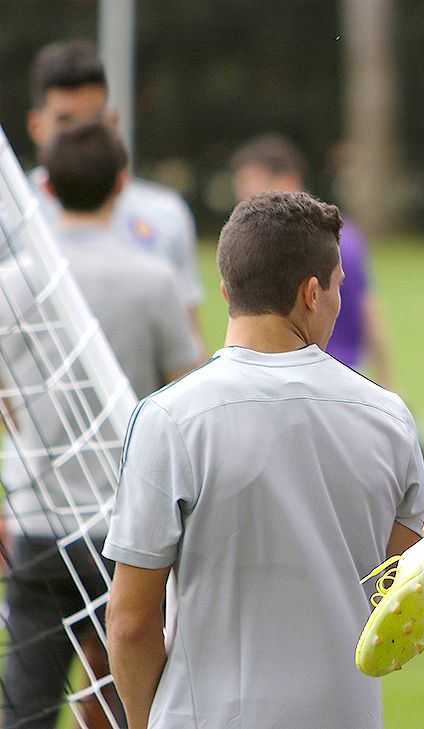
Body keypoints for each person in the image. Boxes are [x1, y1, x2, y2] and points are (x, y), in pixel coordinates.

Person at [103, 190, 424, 729]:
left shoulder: (170, 419)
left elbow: (132, 621)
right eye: (338, 289)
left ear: (226, 288)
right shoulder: (390, 418)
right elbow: (398, 584)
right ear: (311, 292)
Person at [0, 122, 201, 729]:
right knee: (127, 707)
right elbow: (186, 396)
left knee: (25, 706)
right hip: (131, 531)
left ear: (48, 189)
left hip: (38, 523)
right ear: (122, 184)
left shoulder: (14, 284)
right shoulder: (154, 280)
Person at [26, 39, 206, 351]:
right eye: (65, 120)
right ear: (37, 126)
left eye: (92, 121)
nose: (78, 136)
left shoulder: (165, 215)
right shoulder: (10, 217)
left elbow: (188, 339)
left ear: (112, 121)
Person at [229, 133, 393, 385]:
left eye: (253, 191)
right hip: (350, 377)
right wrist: (387, 382)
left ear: (287, 180)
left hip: (294, 379)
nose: (246, 204)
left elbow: (368, 310)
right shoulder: (344, 234)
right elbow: (369, 309)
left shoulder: (271, 249)